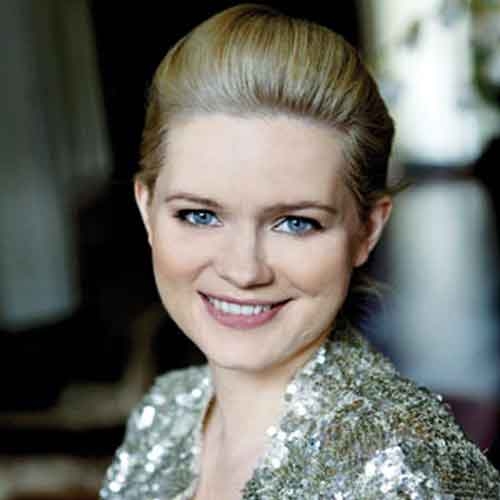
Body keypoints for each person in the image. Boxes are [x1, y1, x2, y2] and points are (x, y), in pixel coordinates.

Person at [100, 4, 500, 499]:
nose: (243, 270)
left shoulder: (405, 467)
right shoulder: (165, 411)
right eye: (200, 215)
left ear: (367, 231)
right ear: (146, 209)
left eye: (295, 222)